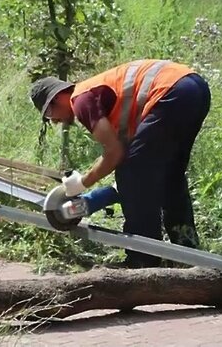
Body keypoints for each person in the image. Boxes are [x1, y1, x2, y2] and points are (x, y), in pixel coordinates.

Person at [30, 60, 210, 267]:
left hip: (172, 91)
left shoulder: (80, 101)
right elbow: (124, 150)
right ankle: (185, 249)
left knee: (131, 172)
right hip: (195, 88)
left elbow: (115, 153)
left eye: (49, 114)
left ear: (57, 97)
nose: (54, 121)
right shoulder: (101, 96)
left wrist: (82, 183)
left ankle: (143, 261)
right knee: (170, 174)